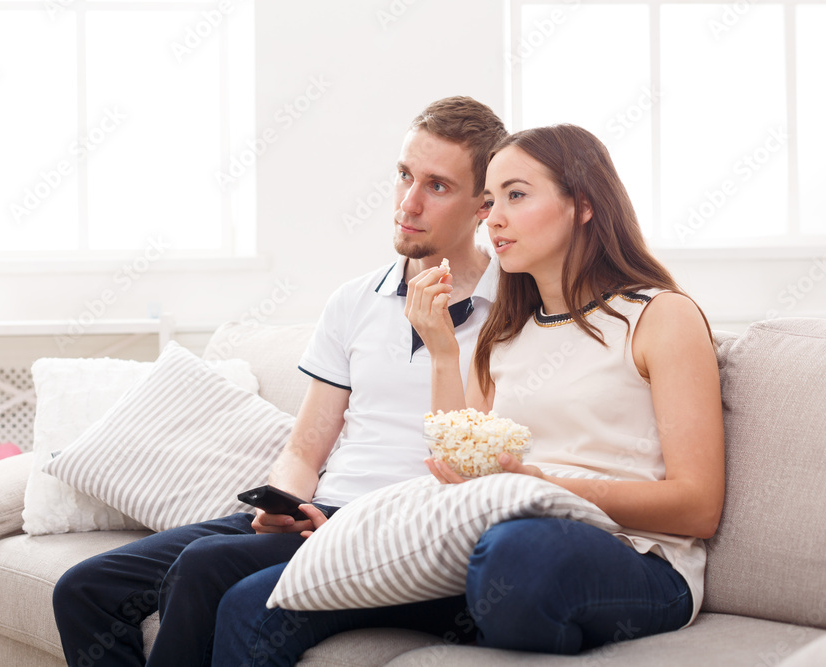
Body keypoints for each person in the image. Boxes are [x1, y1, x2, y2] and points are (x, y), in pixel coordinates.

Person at [212, 124, 724, 663]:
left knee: (518, 554)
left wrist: (543, 485)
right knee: (253, 603)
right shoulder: (505, 333)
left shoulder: (660, 316)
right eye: (490, 200)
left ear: (584, 205)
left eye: (516, 195)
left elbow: (698, 507)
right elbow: (457, 468)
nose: (494, 217)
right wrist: (440, 351)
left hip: (634, 556)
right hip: (493, 547)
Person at [51, 96, 507, 667]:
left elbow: (479, 471)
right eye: (403, 176)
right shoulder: (354, 301)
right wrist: (287, 501)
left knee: (202, 569)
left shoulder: (512, 313)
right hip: (317, 514)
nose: (407, 203)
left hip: (397, 534)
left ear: (482, 205)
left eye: (437, 186)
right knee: (83, 590)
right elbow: (303, 448)